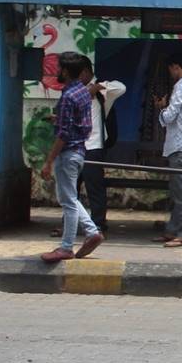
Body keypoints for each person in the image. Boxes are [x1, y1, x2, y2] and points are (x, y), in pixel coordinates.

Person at [40, 52, 104, 262]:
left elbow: (64, 134)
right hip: (79, 151)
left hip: (67, 154)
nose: (56, 72)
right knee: (70, 198)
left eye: (59, 68)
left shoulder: (68, 96)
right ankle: (92, 232)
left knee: (67, 201)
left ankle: (66, 247)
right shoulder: (83, 93)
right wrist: (59, 119)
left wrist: (49, 161)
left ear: (66, 71)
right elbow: (79, 124)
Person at [154, 52, 182, 248]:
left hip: (179, 145)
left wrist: (162, 109)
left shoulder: (181, 87)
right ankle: (172, 230)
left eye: (171, 69)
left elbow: (170, 116)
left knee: (181, 194)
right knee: (176, 193)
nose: (170, 73)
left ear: (176, 67)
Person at [79, 58, 125, 234]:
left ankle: (98, 223)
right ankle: (68, 222)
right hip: (76, 145)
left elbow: (121, 87)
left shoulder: (102, 91)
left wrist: (97, 87)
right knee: (71, 187)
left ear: (85, 71)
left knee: (94, 187)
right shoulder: (75, 91)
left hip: (94, 146)